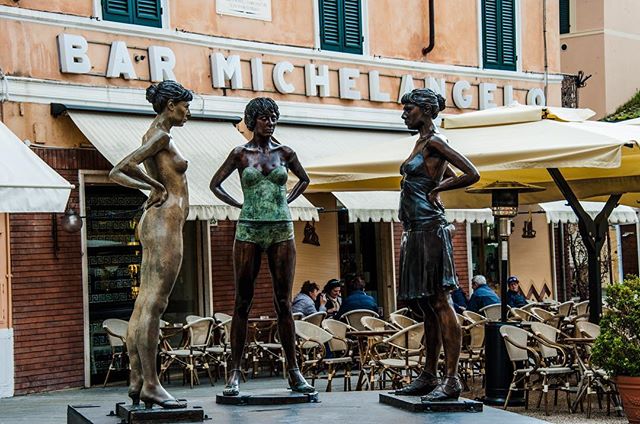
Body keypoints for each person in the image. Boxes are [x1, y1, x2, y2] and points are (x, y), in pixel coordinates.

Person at [209, 97, 315, 396]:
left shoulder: (286, 153)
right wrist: (239, 205)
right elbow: (215, 184)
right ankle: (234, 373)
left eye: (274, 118)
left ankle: (294, 372)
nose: (270, 122)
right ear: (252, 120)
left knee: (284, 303)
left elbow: (304, 180)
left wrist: (287, 202)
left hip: (282, 229)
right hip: (249, 229)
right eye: (265, 118)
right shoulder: (240, 154)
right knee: (243, 301)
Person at [109, 80, 192, 409]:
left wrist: (152, 187)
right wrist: (154, 185)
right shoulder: (161, 136)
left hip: (157, 221)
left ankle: (137, 379)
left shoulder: (153, 134)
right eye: (185, 106)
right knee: (154, 305)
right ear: (171, 105)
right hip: (165, 223)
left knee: (143, 305)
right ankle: (153, 385)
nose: (188, 113)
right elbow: (120, 169)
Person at [393, 88, 480, 402]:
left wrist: (438, 188)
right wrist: (440, 184)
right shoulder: (421, 143)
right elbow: (447, 173)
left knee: (442, 303)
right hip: (415, 229)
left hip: (431, 229)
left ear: (426, 110)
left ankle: (452, 379)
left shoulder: (435, 141)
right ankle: (429, 375)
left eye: (409, 109)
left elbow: (472, 173)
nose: (404, 114)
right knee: (426, 304)